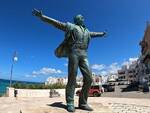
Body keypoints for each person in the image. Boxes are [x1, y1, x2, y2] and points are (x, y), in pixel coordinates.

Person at [32, 9, 106, 112]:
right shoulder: (71, 26)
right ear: (77, 20)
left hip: (84, 54)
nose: (83, 18)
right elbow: (57, 23)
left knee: (89, 78)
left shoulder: (87, 31)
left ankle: (83, 103)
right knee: (72, 77)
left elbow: (93, 34)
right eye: (81, 17)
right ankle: (70, 102)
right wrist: (43, 17)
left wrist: (101, 34)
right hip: (74, 53)